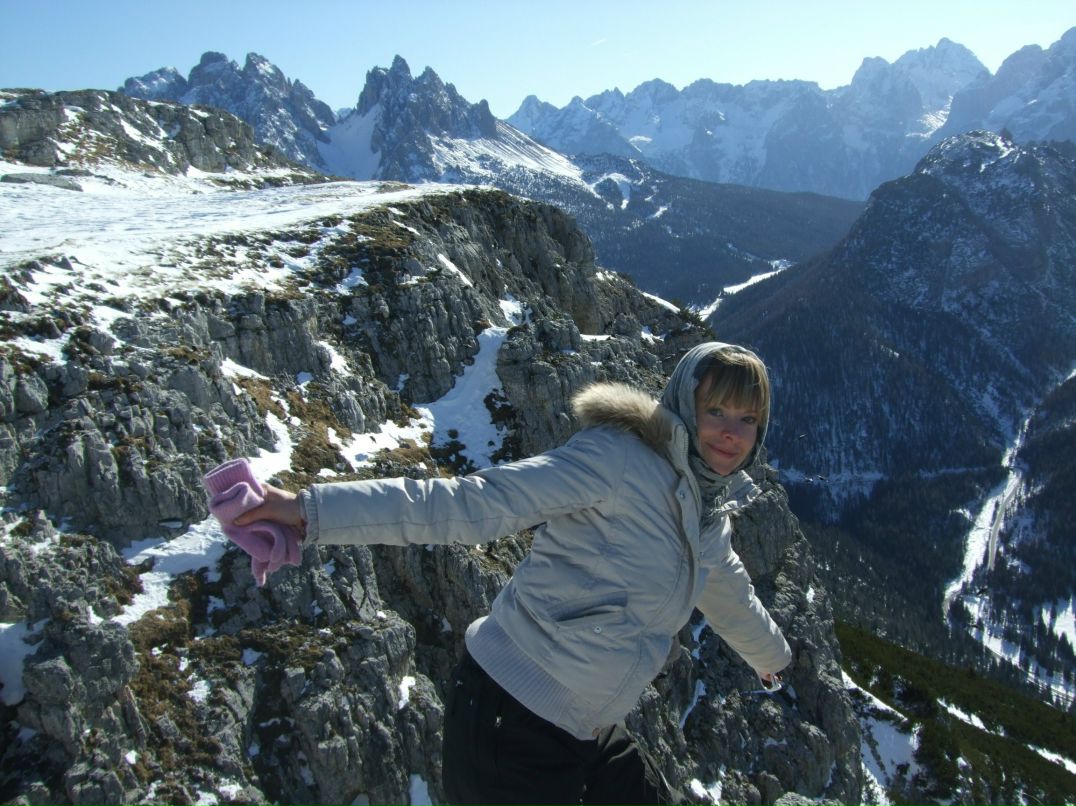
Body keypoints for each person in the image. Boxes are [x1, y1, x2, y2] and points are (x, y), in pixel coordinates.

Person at [212, 341, 792, 805]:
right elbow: (470, 504)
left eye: (747, 418)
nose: (730, 433)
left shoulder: (705, 510)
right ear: (684, 406)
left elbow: (728, 591)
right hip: (508, 719)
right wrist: (311, 512)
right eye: (715, 410)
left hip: (584, 725)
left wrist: (774, 659)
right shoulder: (618, 462)